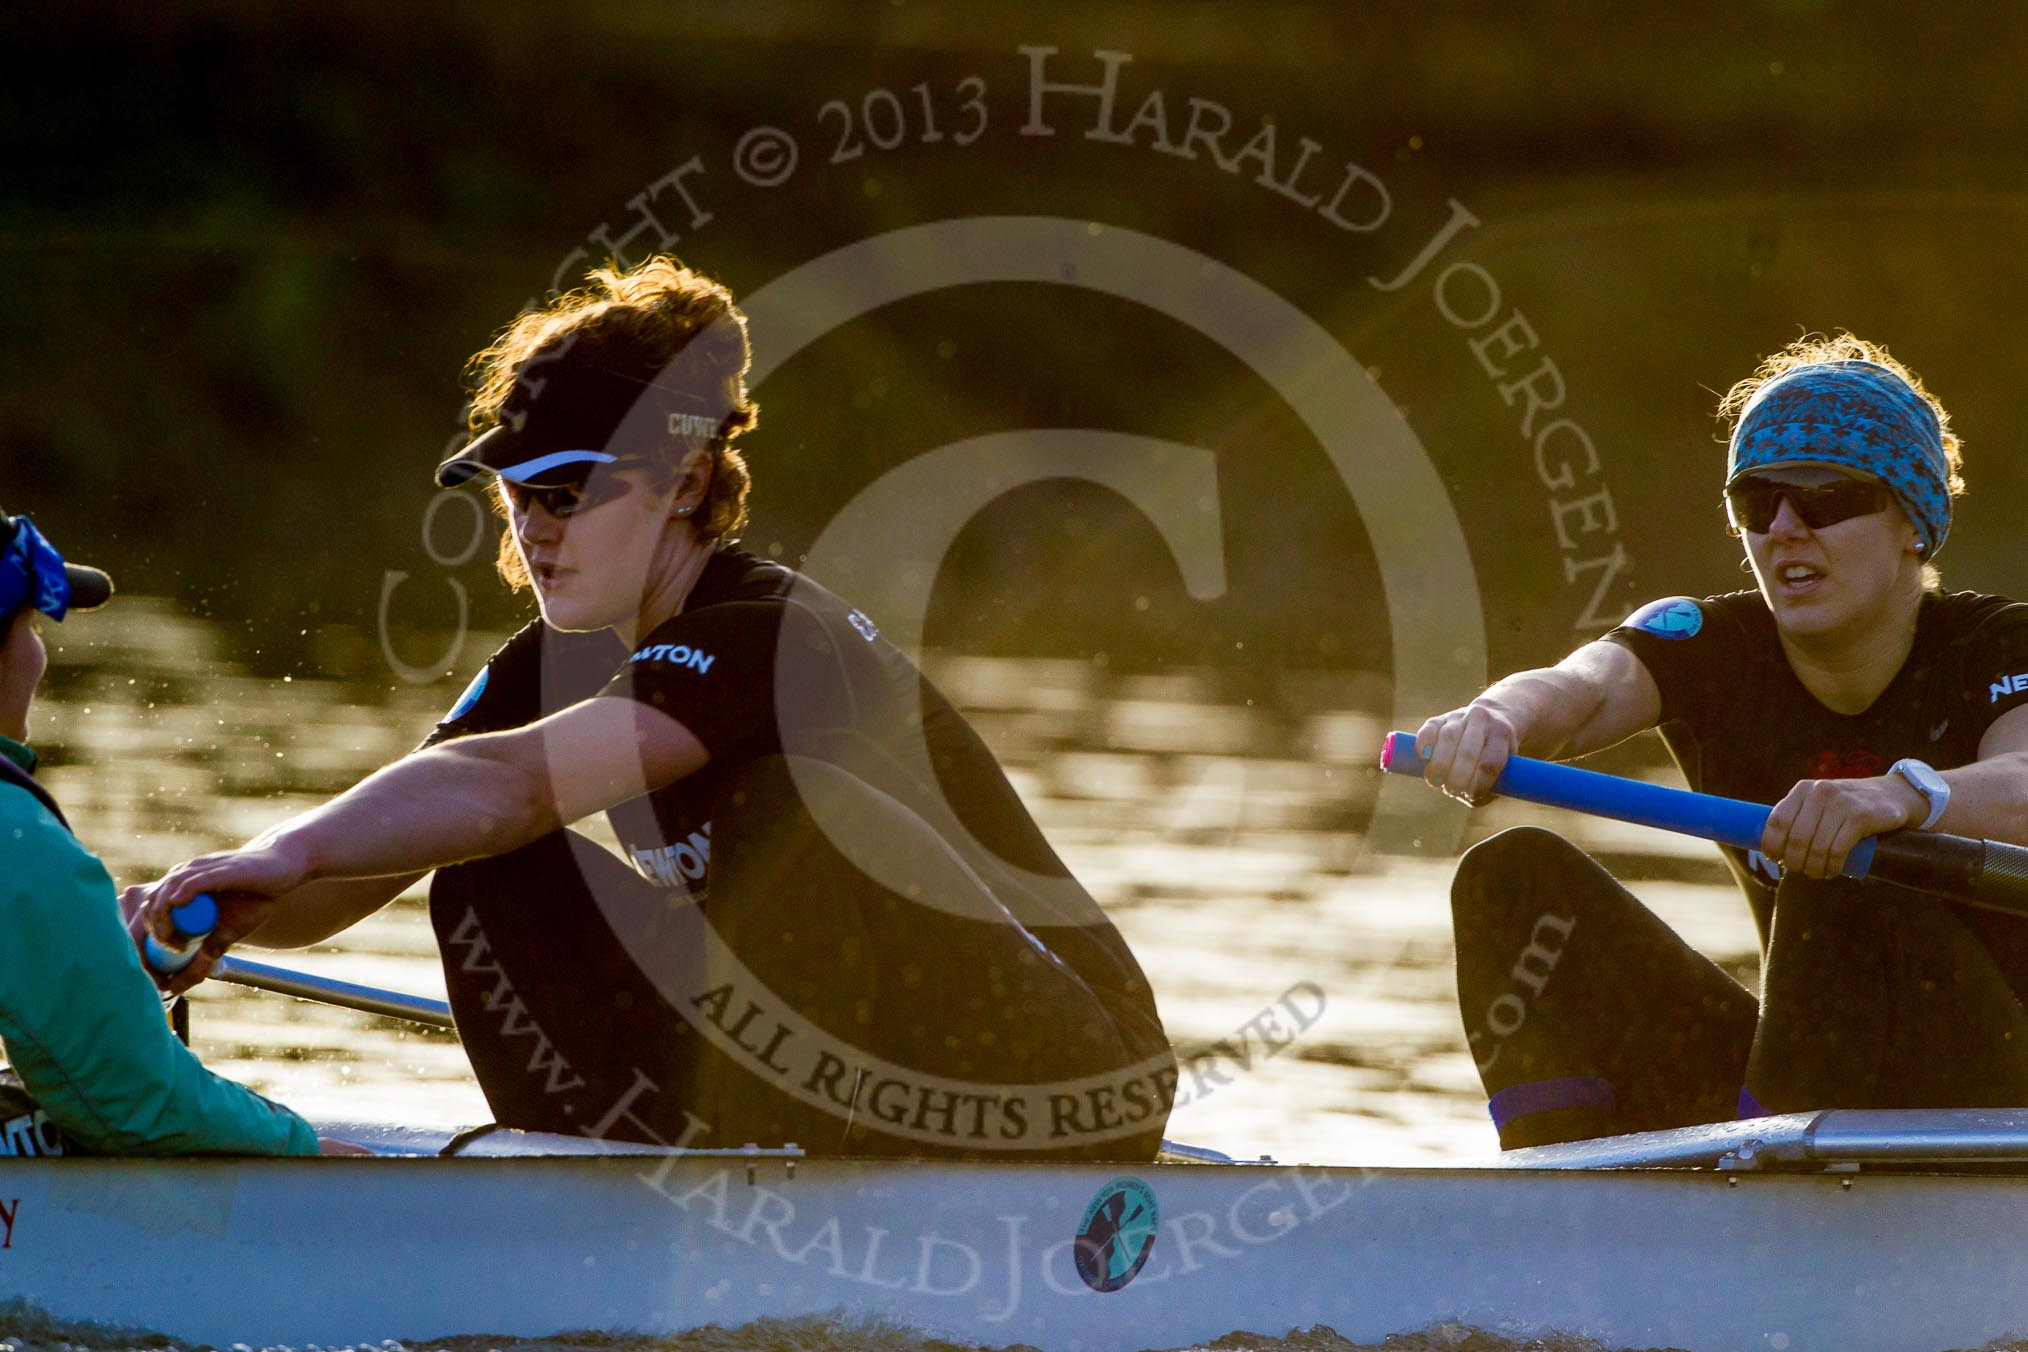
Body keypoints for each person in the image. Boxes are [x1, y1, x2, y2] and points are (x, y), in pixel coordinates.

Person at [136, 255, 1173, 1160]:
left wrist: (287, 852)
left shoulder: (770, 632)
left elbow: (515, 783)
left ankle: (773, 1188)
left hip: (1067, 1074)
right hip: (849, 1067)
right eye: (517, 495)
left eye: (569, 492)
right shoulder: (546, 663)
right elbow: (380, 853)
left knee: (781, 804)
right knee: (483, 868)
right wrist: (218, 898)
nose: (535, 528)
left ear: (684, 484)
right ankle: (593, 1194)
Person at [1415, 334, 2028, 1150]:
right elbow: (1584, 684)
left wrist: (1896, 796)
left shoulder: (1998, 645)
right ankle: (1558, 1209)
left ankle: (1755, 1211)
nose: (1782, 528)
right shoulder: (1710, 642)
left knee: (1840, 856)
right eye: (1757, 500)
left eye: (1824, 498)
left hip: (1991, 1098)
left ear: (1912, 523)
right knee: (1511, 876)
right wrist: (1494, 717)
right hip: (1803, 1090)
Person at [0, 504, 321, 1157]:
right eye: (31, 627)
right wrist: (305, 1151)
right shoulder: (15, 836)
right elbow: (134, 1104)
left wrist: (98, 982)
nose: (38, 657)